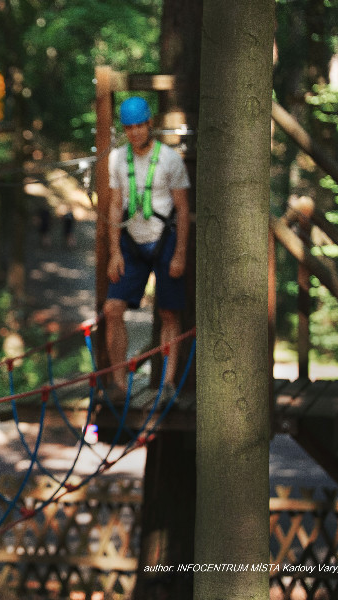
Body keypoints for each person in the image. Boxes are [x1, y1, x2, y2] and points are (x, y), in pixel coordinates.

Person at [105, 96, 190, 398]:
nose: (135, 132)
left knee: (168, 312)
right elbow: (115, 205)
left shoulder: (170, 159)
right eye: (129, 128)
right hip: (131, 241)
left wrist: (180, 253)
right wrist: (114, 251)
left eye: (140, 126)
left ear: (149, 123)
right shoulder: (117, 159)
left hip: (164, 240)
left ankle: (167, 383)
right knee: (112, 308)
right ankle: (117, 384)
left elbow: (182, 208)